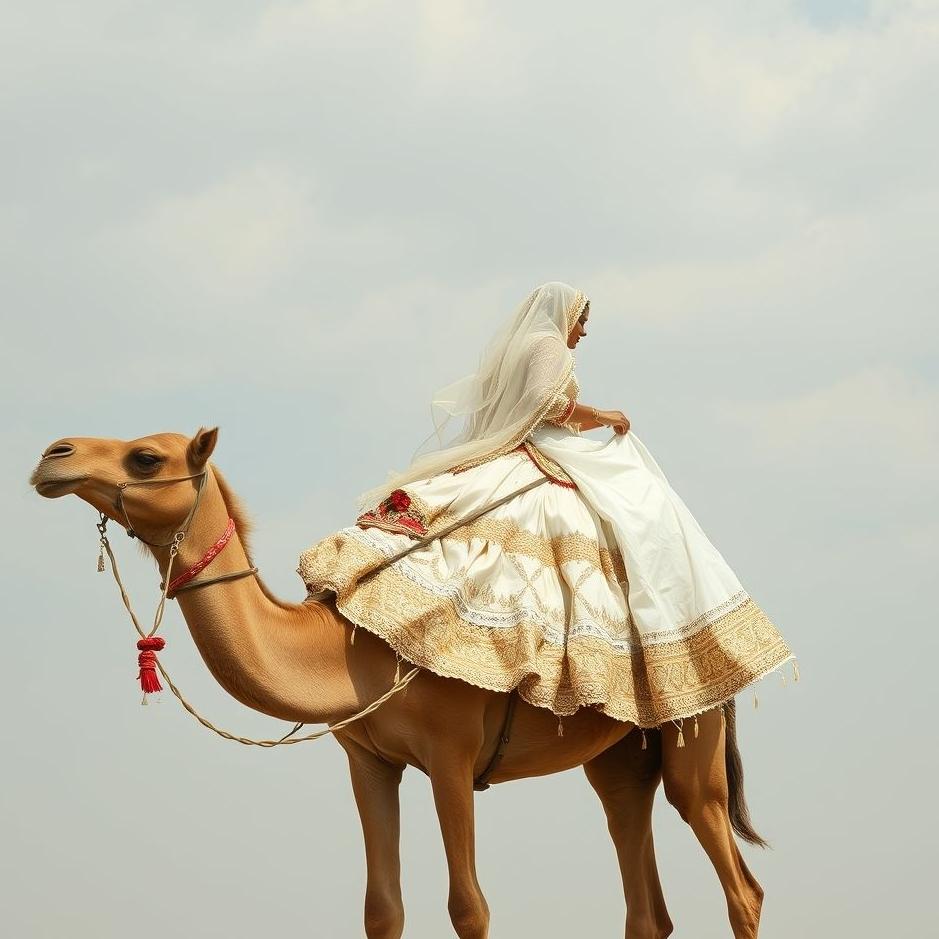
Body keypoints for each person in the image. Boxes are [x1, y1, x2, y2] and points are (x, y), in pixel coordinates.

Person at [298, 281, 794, 728]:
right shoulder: (549, 344)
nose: (583, 333)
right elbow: (544, 402)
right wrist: (603, 415)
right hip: (539, 452)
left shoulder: (525, 346)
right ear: (565, 316)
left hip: (528, 449)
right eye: (582, 321)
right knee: (634, 505)